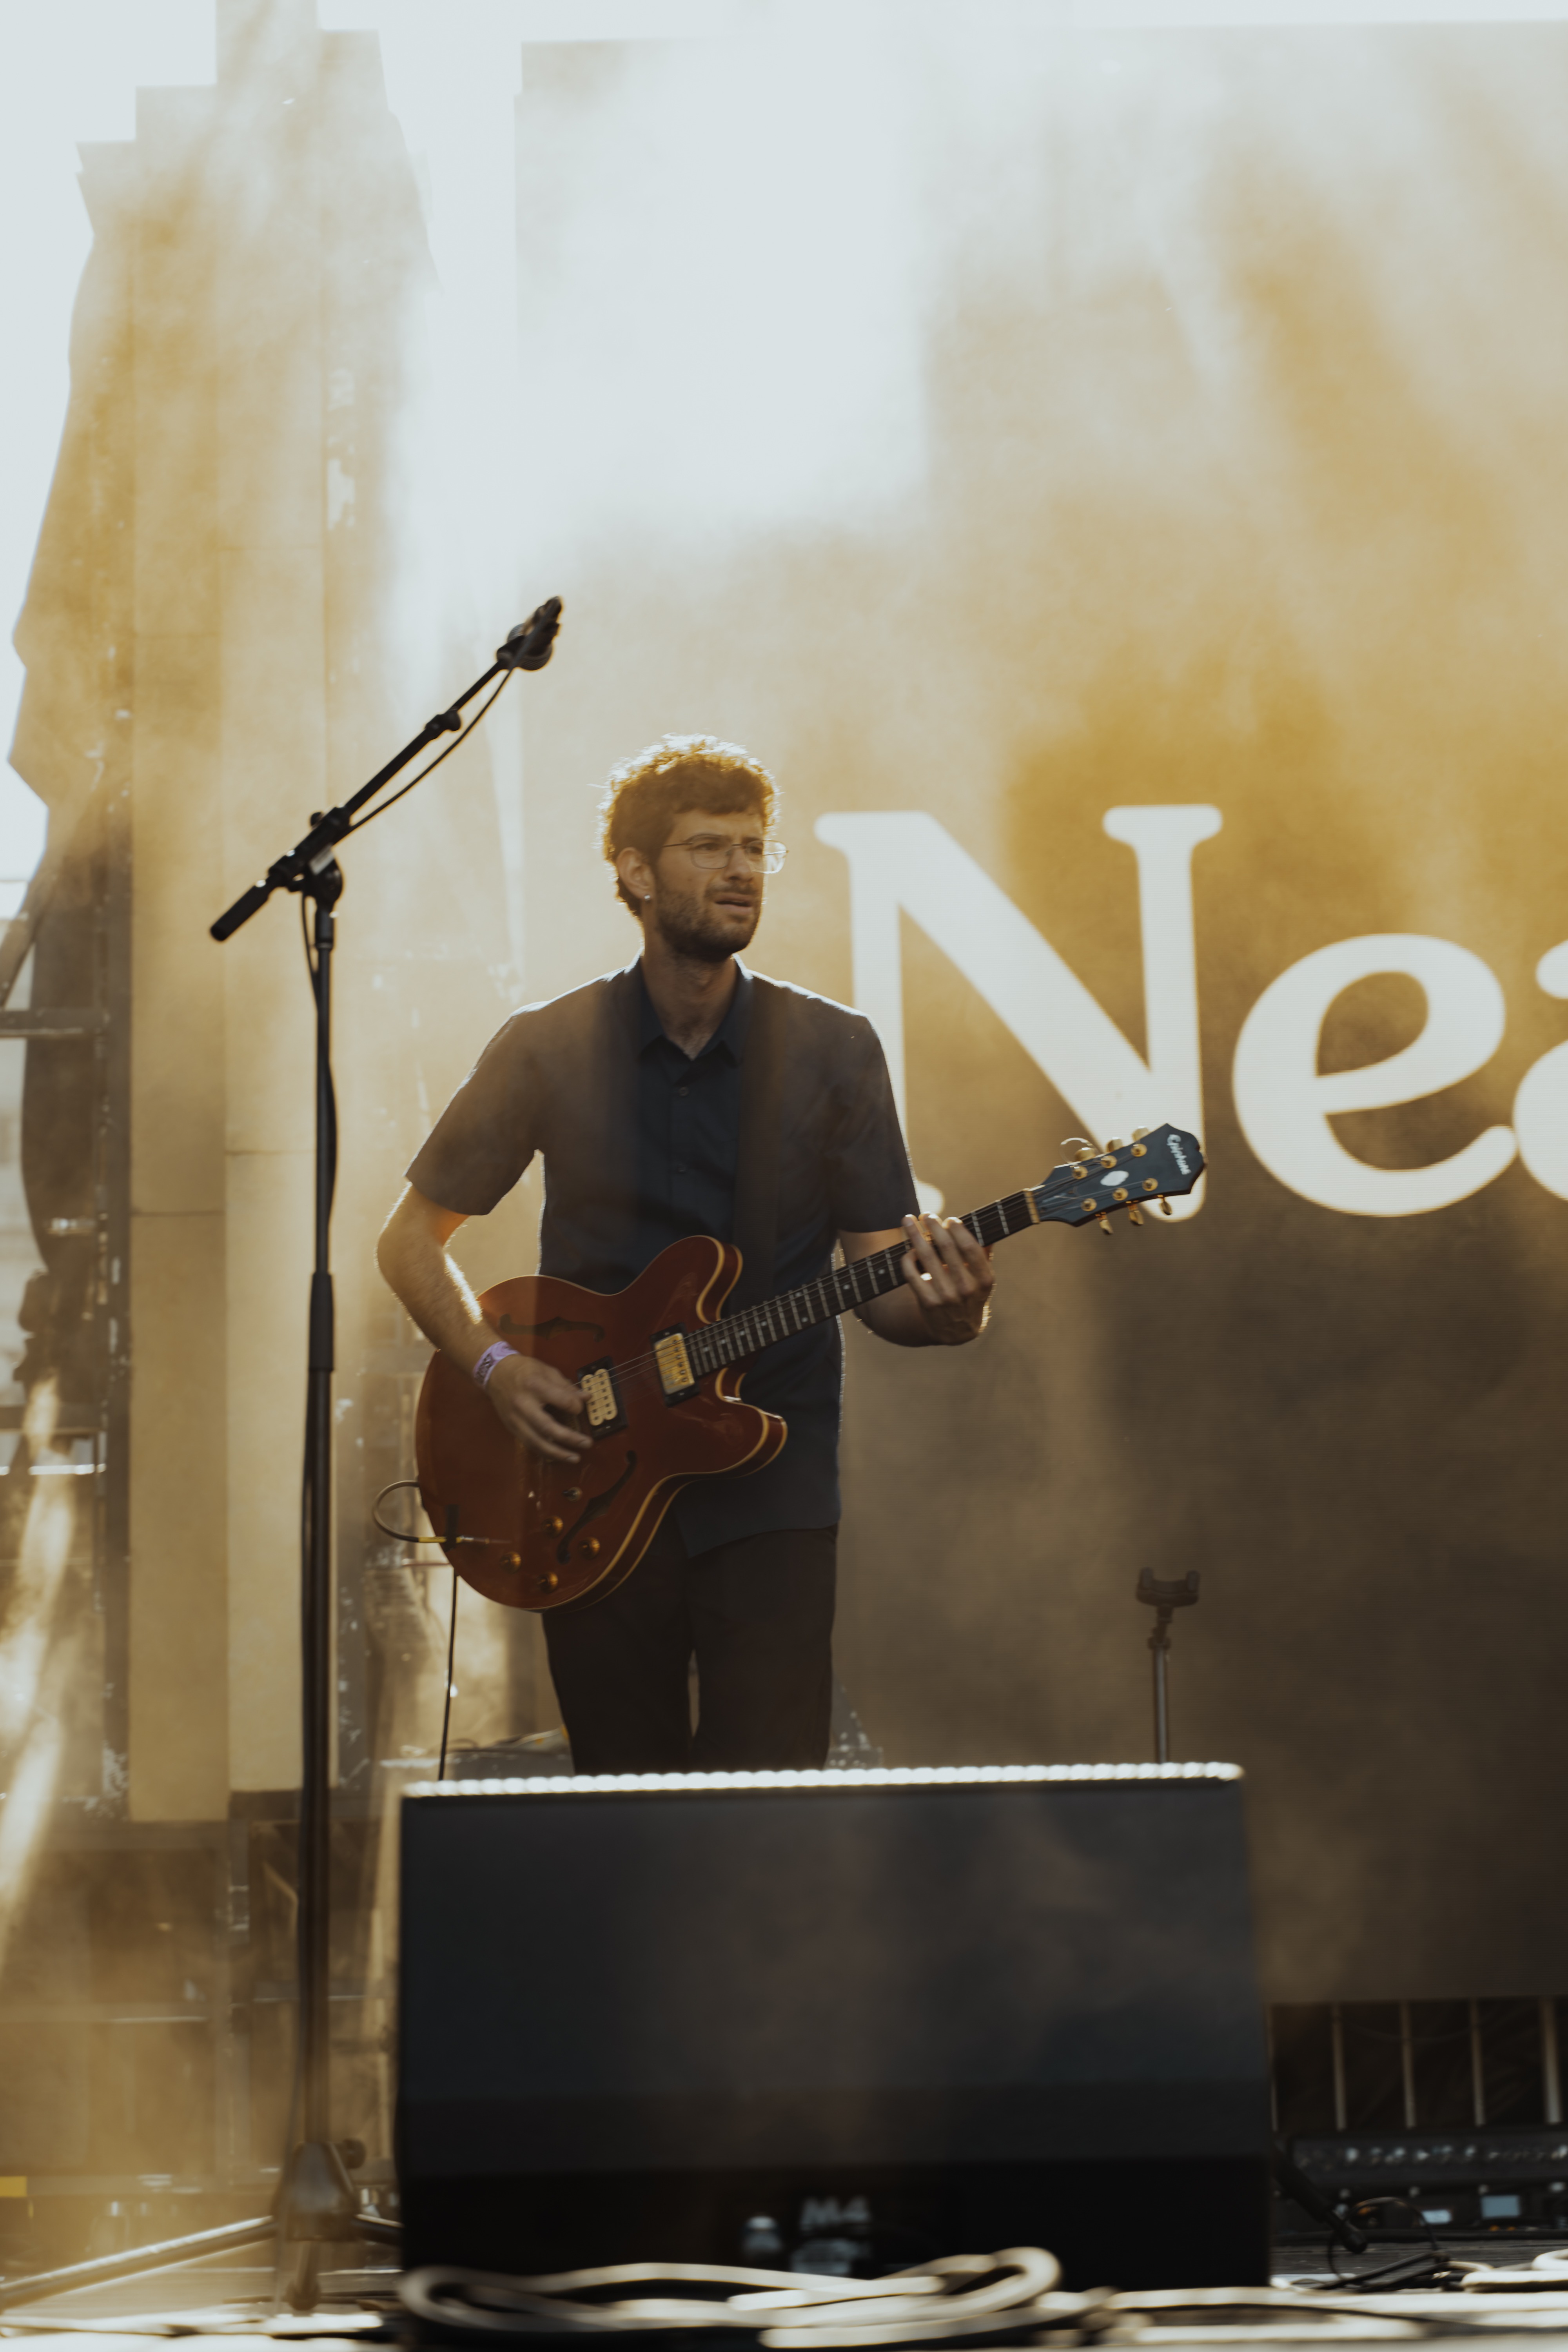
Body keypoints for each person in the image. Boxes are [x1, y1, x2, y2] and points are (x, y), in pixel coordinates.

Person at [376, 735, 995, 1773]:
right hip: (590, 1478)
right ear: (635, 871)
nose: (741, 871)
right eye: (709, 848)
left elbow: (885, 1285)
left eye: (755, 848)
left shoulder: (833, 1048)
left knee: (769, 1813)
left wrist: (956, 1310)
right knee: (624, 1803)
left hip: (771, 1486)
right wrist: (495, 1368)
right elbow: (409, 1243)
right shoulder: (546, 1044)